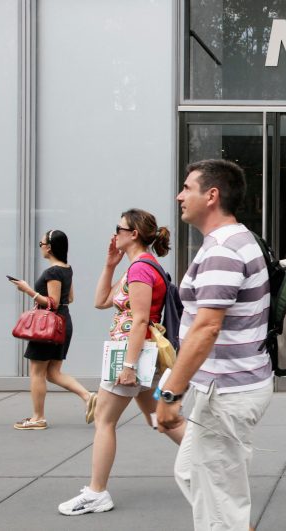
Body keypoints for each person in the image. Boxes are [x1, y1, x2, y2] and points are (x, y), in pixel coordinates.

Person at [156, 159, 273, 531]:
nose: (179, 196)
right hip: (229, 386)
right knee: (192, 473)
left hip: (227, 392)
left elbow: (206, 328)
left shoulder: (223, 249)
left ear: (212, 195)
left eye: (187, 188)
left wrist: (171, 393)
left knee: (218, 503)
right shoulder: (238, 239)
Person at [58, 209, 186, 516]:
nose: (115, 234)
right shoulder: (139, 266)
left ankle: (96, 493)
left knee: (104, 420)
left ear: (134, 234)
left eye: (119, 228)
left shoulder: (141, 269)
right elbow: (101, 301)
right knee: (160, 418)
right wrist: (110, 265)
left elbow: (140, 319)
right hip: (141, 355)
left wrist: (128, 367)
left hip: (131, 355)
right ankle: (214, 461)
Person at [9, 230, 95, 430]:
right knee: (53, 373)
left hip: (47, 327)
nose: (40, 247)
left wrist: (27, 289)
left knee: (37, 372)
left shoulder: (53, 272)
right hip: (62, 323)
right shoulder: (67, 269)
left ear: (49, 247)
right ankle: (88, 396)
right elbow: (69, 298)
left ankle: (38, 418)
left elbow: (53, 303)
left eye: (41, 244)